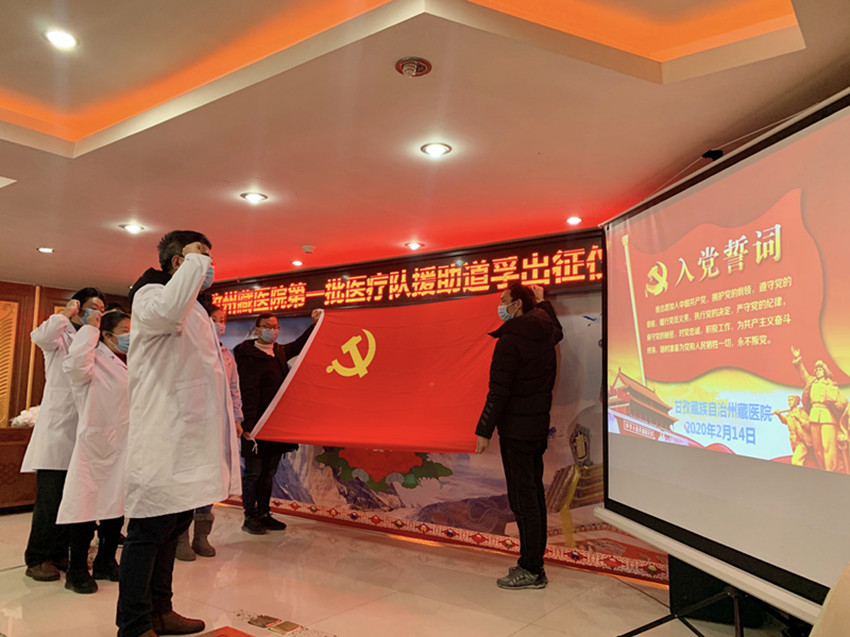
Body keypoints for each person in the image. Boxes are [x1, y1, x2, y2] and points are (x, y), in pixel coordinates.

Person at [117, 231, 240, 637]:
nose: (210, 267)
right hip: (162, 435)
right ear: (178, 263)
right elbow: (170, 314)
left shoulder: (196, 309)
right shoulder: (151, 295)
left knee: (172, 529)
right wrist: (192, 261)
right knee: (147, 533)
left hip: (189, 439)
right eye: (203, 258)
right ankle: (134, 624)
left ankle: (161, 610)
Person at [474, 282, 563, 590]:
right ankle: (533, 563)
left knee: (523, 500)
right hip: (535, 429)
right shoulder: (544, 332)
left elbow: (498, 390)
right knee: (533, 496)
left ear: (517, 305)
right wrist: (543, 303)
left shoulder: (510, 340)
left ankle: (531, 569)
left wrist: (483, 430)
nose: (500, 306)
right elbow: (557, 331)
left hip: (515, 431)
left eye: (504, 300)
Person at [22, 287, 106, 582]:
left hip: (83, 432)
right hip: (57, 432)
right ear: (78, 307)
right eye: (93, 307)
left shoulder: (94, 342)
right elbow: (40, 336)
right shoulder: (59, 337)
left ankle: (60, 553)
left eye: (102, 310)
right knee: (50, 501)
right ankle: (37, 558)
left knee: (72, 500)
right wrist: (66, 313)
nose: (97, 314)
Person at [57, 309, 131, 594]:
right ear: (107, 335)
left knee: (116, 508)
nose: (130, 336)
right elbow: (74, 366)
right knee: (85, 507)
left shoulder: (124, 362)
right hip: (95, 444)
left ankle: (105, 561)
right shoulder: (90, 358)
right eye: (125, 330)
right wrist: (89, 328)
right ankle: (77, 569)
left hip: (121, 445)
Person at [235, 309, 320, 534]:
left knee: (269, 472)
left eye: (275, 327)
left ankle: (264, 513)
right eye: (267, 326)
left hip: (275, 425)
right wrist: (248, 425)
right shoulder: (247, 355)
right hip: (255, 425)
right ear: (257, 329)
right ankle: (250, 516)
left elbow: (299, 345)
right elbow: (248, 391)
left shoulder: (279, 352)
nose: (271, 331)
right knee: (253, 473)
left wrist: (315, 324)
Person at [176, 303, 244, 561]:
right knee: (189, 481)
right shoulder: (189, 348)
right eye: (214, 319)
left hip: (217, 426)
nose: (219, 325)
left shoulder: (226, 355)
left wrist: (236, 419)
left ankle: (201, 536)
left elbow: (234, 389)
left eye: (222, 320)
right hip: (191, 426)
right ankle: (180, 537)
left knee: (210, 480)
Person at [772, 395, 812, 467]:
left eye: (792, 400)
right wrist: (779, 415)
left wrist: (799, 417)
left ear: (796, 402)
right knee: (801, 460)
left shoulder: (800, 411)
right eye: (789, 400)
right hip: (793, 439)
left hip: (801, 440)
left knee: (796, 461)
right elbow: (785, 421)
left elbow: (809, 424)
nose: (789, 402)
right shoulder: (790, 413)